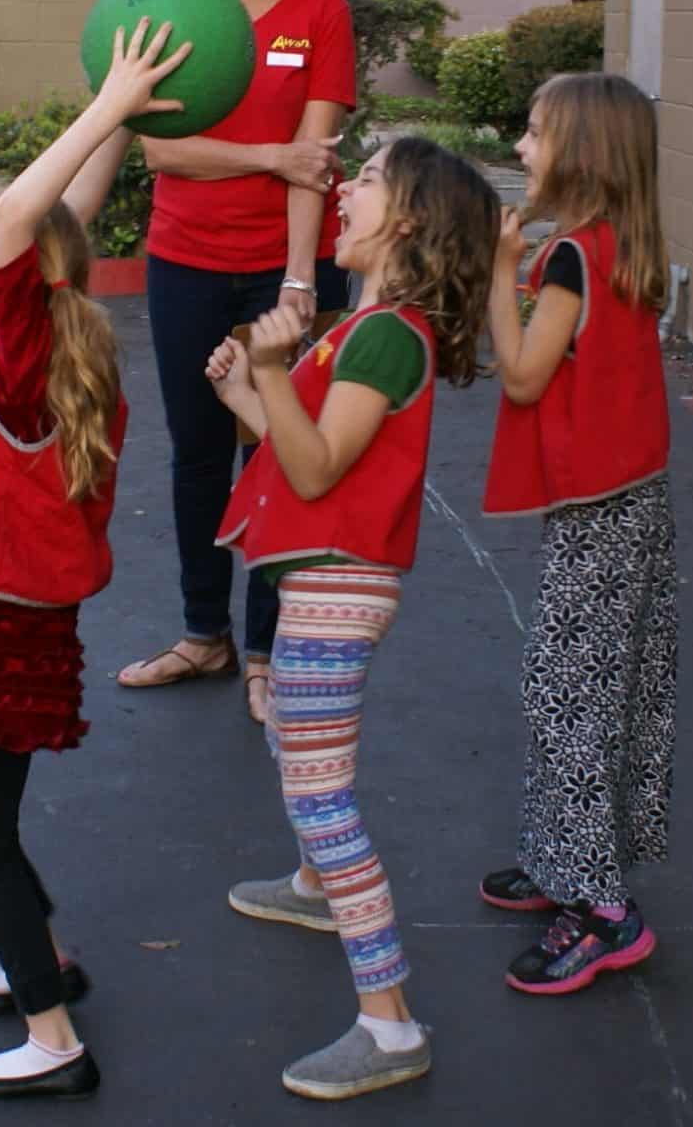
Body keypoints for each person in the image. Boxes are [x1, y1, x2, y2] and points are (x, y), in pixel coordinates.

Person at [0, 21, 182, 1102]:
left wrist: (108, 103)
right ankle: (42, 955)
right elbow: (56, 221)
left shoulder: (23, 372)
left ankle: (51, 1036)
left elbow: (26, 220)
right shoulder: (31, 346)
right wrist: (116, 129)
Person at [207, 136, 498, 1100]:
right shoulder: (360, 328)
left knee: (323, 800)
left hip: (340, 589)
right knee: (292, 743)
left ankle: (390, 1022)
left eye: (366, 180)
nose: (344, 191)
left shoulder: (385, 336)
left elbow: (318, 469)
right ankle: (312, 887)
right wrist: (247, 388)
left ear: (407, 220)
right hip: (321, 581)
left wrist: (272, 372)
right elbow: (303, 449)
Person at [116, 0, 356, 726]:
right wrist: (267, 155)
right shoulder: (182, 9)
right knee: (197, 452)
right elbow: (160, 151)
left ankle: (265, 652)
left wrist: (298, 282)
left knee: (275, 452)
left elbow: (315, 163)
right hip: (185, 259)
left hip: (286, 270)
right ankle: (203, 634)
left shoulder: (320, 12)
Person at [477, 73, 680, 995]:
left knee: (565, 693)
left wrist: (498, 269)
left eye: (534, 132)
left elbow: (521, 375)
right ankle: (563, 858)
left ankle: (602, 905)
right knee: (609, 688)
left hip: (599, 514)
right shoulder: (626, 245)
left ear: (583, 153)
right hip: (635, 503)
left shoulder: (570, 259)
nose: (522, 148)